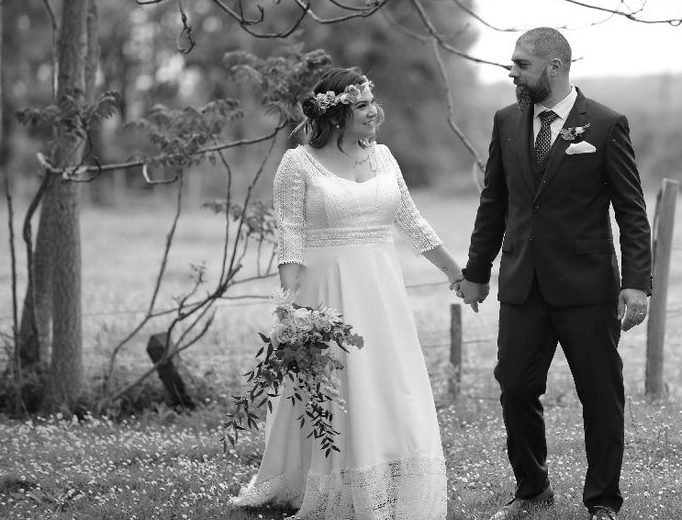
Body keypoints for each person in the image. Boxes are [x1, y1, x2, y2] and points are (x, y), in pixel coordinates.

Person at [230, 67, 460, 519]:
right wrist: (288, 307)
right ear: (335, 114)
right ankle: (335, 480)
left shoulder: (385, 157)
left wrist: (457, 272)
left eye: (372, 101)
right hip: (326, 292)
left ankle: (388, 473)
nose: (374, 111)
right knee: (336, 387)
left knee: (389, 381)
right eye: (361, 104)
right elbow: (291, 236)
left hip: (382, 292)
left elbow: (411, 222)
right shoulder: (298, 163)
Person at [454, 28, 653, 520]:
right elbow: (493, 202)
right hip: (522, 285)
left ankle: (603, 500)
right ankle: (532, 488)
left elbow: (631, 211)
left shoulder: (605, 124)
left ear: (554, 68)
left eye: (521, 64)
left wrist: (636, 284)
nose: (511, 72)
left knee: (600, 395)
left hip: (587, 286)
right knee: (516, 387)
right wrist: (477, 272)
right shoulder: (505, 121)